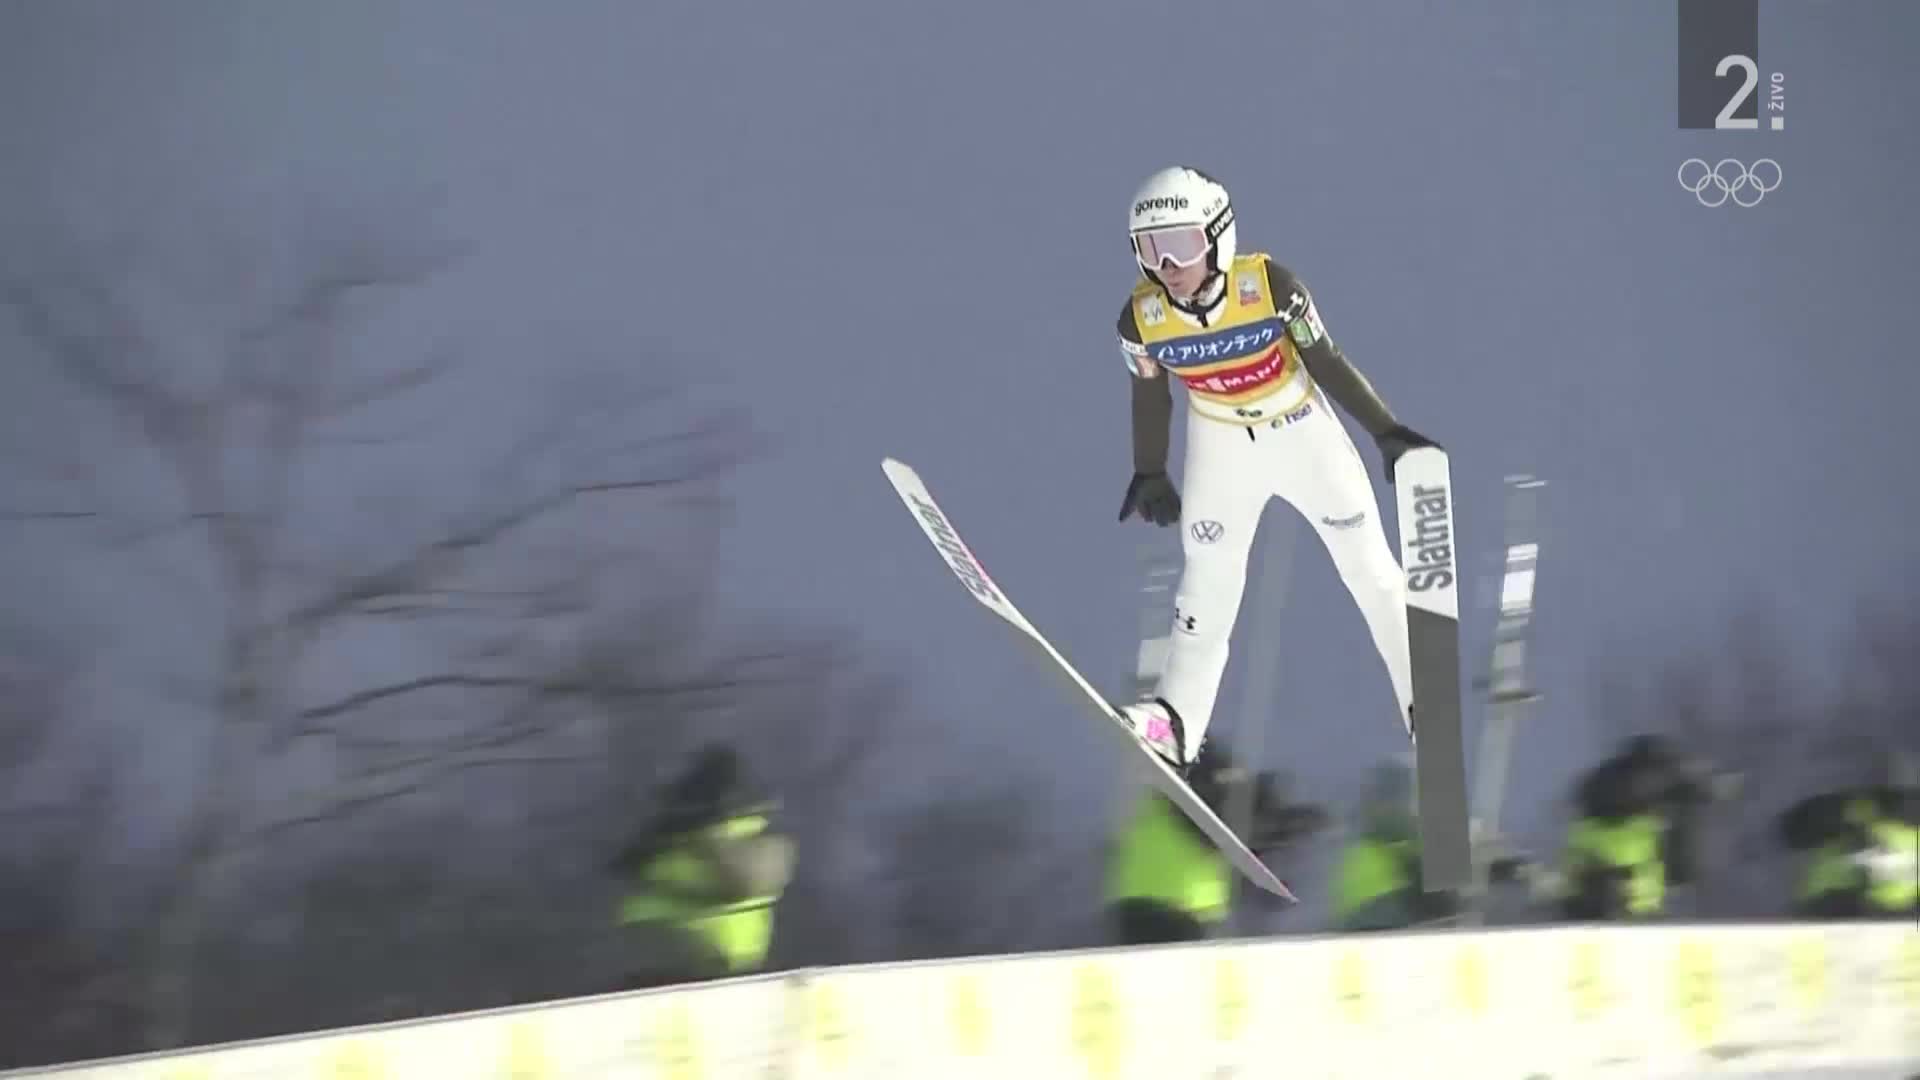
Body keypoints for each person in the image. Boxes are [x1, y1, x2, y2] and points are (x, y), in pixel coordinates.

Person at [1112, 165, 1440, 776]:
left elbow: (1327, 359)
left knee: (1367, 567)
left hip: (1299, 430)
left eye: (1181, 245)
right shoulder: (1141, 320)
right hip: (1220, 444)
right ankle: (1176, 722)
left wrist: (1385, 430)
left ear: (1218, 237)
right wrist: (1149, 469)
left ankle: (1425, 700)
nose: (1169, 266)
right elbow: (1150, 395)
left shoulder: (1270, 287)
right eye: (1150, 250)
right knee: (1207, 579)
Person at [609, 744, 794, 988]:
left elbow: (749, 880)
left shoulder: (738, 839)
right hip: (666, 979)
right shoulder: (661, 844)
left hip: (704, 978)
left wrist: (707, 839)